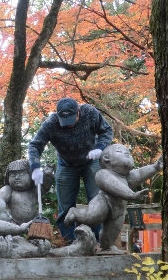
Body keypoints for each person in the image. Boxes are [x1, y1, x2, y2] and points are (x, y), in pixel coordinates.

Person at [28, 97, 113, 244]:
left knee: (96, 200)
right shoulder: (51, 123)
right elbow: (35, 145)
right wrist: (35, 167)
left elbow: (107, 130)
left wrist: (100, 148)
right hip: (66, 164)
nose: (68, 125)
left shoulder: (90, 113)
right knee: (65, 205)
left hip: (90, 160)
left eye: (71, 119)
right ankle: (69, 241)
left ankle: (99, 241)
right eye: (64, 120)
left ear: (78, 112)